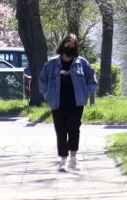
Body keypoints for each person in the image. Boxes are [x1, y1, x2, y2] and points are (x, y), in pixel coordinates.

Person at [39, 33, 97, 173]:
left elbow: (92, 81)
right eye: (67, 45)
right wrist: (47, 95)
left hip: (76, 102)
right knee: (60, 130)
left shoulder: (82, 63)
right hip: (57, 102)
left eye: (72, 46)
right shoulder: (52, 64)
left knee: (74, 129)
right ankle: (63, 161)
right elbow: (42, 81)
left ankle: (73, 160)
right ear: (62, 45)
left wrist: (86, 94)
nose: (69, 48)